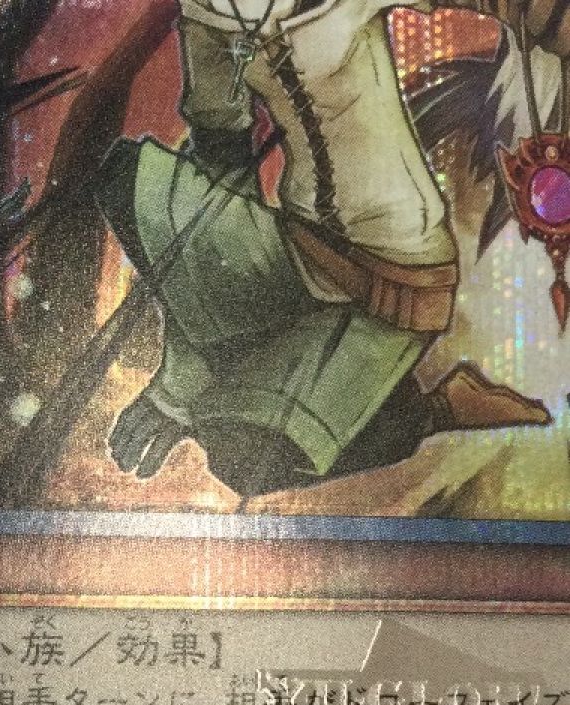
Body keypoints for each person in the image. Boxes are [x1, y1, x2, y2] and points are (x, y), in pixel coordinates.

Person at [95, 0, 570, 496]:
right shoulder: (207, 15)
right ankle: (275, 375)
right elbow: (213, 202)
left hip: (395, 269)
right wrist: (178, 388)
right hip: (298, 249)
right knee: (128, 180)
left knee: (243, 461)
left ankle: (435, 410)